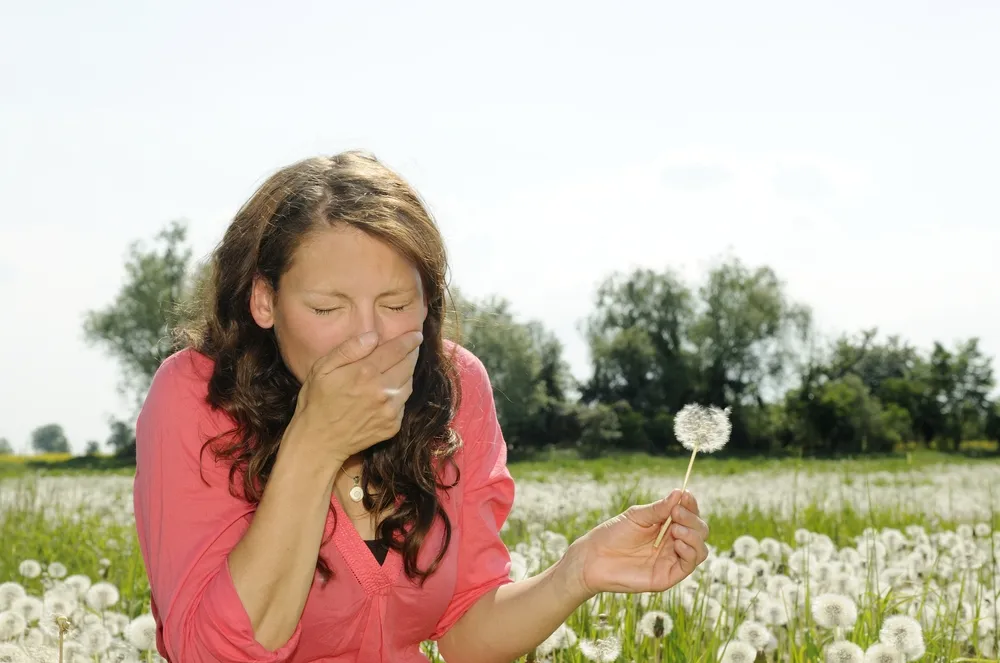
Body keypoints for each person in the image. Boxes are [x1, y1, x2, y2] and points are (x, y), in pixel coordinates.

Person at [132, 150, 711, 663]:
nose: (368, 339)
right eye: (328, 309)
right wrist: (315, 445)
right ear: (264, 299)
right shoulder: (196, 398)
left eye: (395, 304)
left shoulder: (455, 386)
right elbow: (213, 653)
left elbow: (465, 631)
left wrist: (577, 573)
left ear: (429, 300)